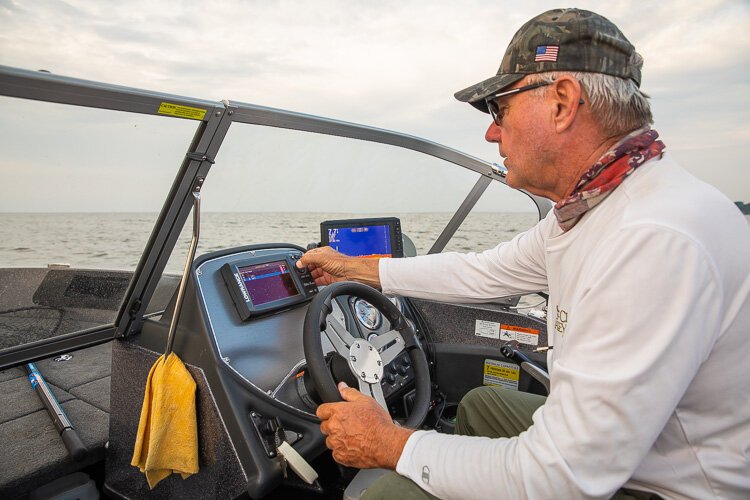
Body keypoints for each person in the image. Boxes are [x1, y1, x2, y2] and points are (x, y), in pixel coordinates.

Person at [297, 8, 750, 499]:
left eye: (500, 109)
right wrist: (355, 269)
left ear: (562, 103)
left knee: (383, 496)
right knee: (482, 405)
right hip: (644, 448)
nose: (492, 133)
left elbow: (560, 477)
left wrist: (391, 445)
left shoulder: (652, 238)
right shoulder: (596, 208)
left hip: (672, 486)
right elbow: (484, 271)